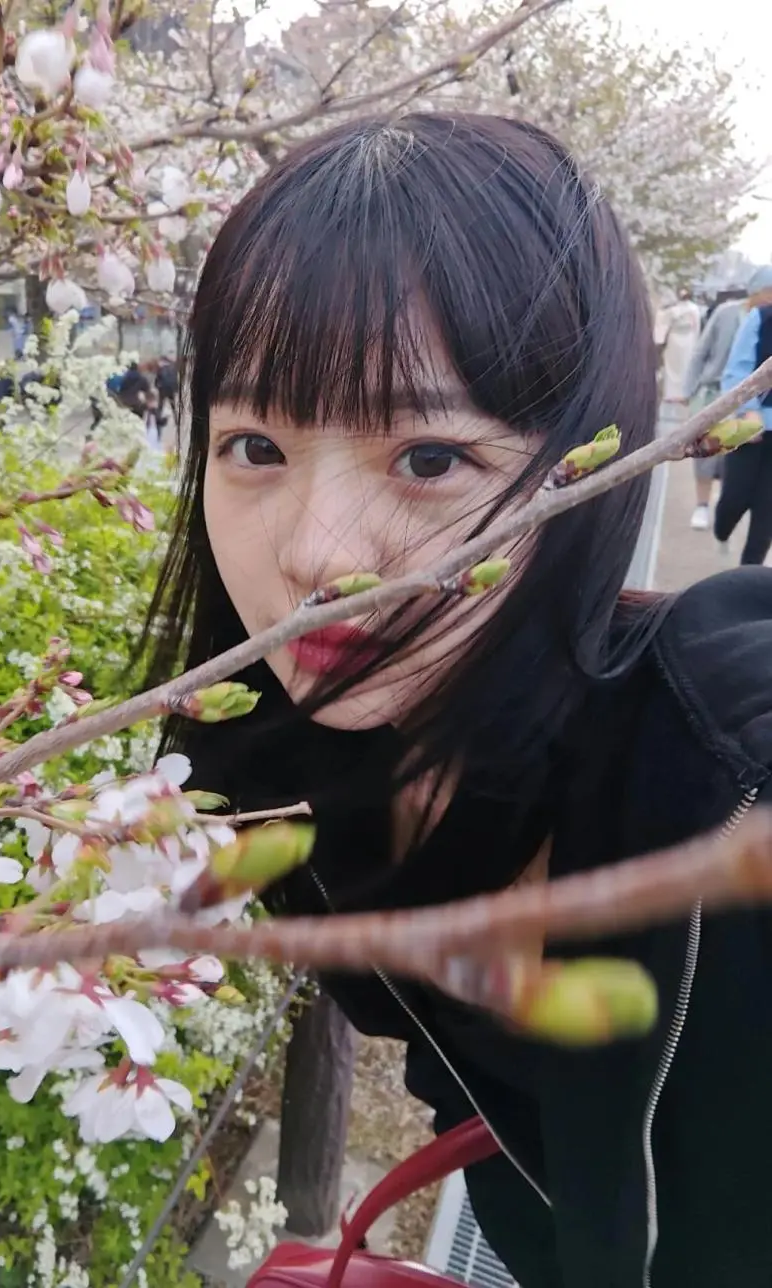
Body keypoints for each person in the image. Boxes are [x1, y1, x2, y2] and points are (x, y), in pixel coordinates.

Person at [139, 112, 772, 1288]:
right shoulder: (289, 784)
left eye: (430, 458)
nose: (317, 555)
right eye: (256, 447)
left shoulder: (732, 773)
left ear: (583, 474)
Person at [713, 270, 772, 565]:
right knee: (733, 501)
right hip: (752, 426)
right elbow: (737, 369)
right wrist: (748, 411)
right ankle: (721, 531)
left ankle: (748, 575)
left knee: (766, 515)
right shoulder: (760, 318)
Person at [682, 286, 750, 529]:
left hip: (748, 400)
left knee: (735, 459)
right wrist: (688, 391)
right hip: (712, 393)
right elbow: (701, 351)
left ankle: (725, 505)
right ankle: (702, 505)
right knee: (705, 453)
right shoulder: (726, 313)